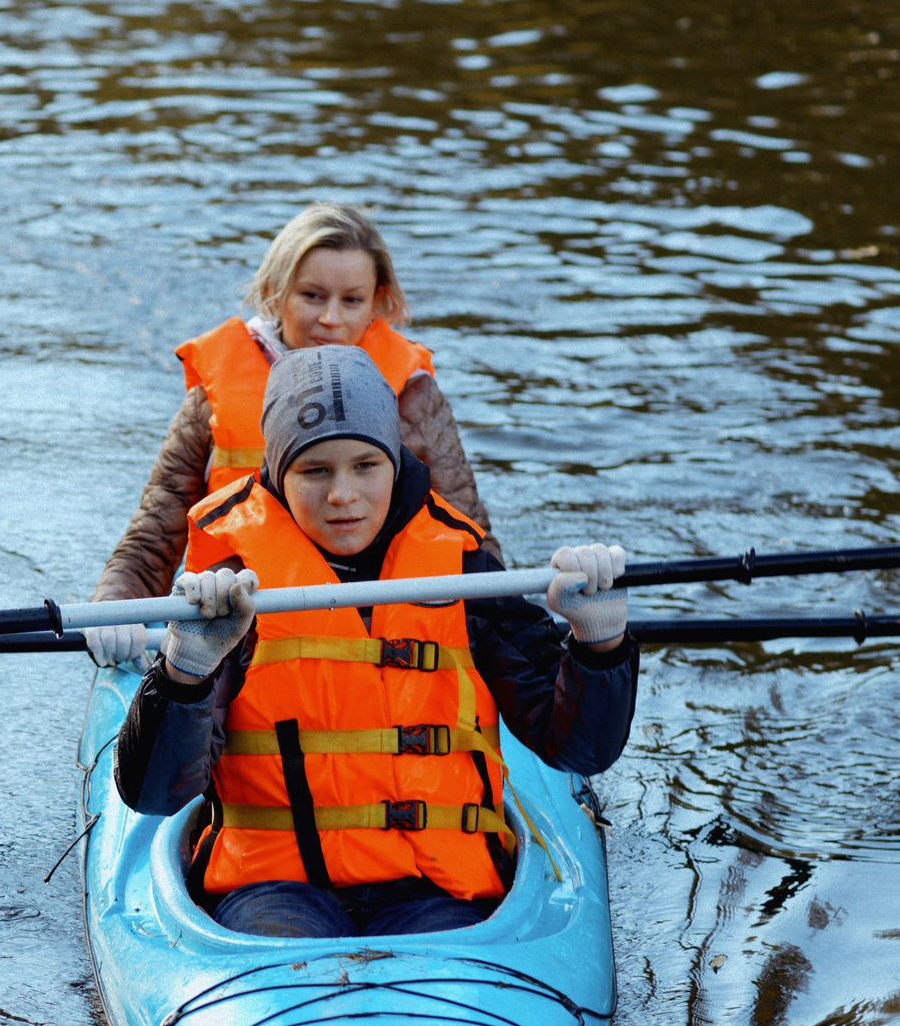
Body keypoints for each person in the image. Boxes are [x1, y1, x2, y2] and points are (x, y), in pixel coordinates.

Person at [113, 343, 634, 940]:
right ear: (279, 474)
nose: (343, 495)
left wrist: (599, 647)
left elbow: (578, 752)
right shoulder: (235, 582)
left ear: (396, 461)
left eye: (366, 465)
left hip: (433, 890)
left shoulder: (462, 569)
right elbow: (155, 793)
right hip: (275, 891)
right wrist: (186, 672)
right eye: (315, 470)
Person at [89, 204, 494, 653]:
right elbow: (155, 536)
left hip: (386, 622)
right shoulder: (213, 398)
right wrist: (115, 609)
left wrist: (507, 626)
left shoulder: (415, 400)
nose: (331, 319)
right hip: (241, 623)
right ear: (274, 292)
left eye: (352, 300)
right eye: (312, 296)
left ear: (377, 302)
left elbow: (470, 535)